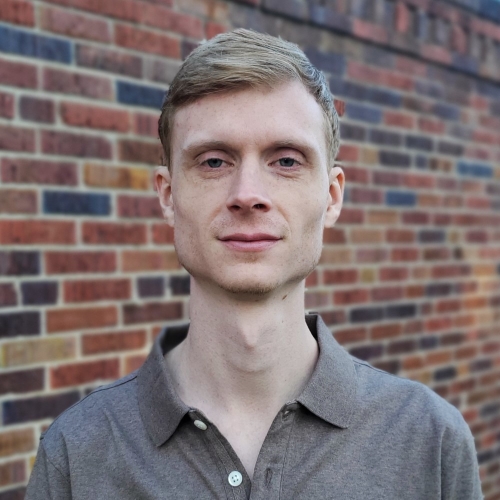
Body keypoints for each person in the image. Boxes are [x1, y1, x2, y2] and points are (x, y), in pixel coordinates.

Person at [26, 29, 482, 499]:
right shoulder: (77, 454)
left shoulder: (430, 439)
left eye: (285, 161)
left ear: (331, 196)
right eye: (213, 161)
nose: (247, 194)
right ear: (168, 195)